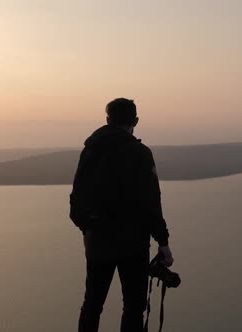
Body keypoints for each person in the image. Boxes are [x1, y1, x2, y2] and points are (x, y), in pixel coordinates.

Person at [70, 98, 174, 332]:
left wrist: (90, 229)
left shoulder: (90, 151)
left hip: (97, 242)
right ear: (135, 121)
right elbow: (151, 202)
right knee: (134, 306)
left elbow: (75, 203)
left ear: (108, 120)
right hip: (133, 244)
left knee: (93, 305)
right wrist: (163, 242)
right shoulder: (140, 153)